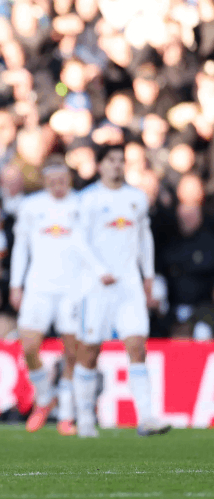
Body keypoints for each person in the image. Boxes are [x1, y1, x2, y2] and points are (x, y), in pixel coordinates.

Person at [73, 144, 171, 438]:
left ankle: (146, 417)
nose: (117, 166)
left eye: (120, 161)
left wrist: (149, 275)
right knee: (90, 351)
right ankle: (85, 418)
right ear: (100, 165)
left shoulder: (136, 198)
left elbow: (145, 238)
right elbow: (78, 240)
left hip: (129, 285)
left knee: (137, 346)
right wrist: (100, 270)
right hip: (96, 287)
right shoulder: (88, 199)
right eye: (111, 160)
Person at [9, 158, 100, 436]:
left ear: (69, 180)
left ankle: (67, 414)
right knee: (28, 345)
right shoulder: (31, 206)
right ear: (45, 181)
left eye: (63, 180)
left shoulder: (82, 205)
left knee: (71, 351)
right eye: (53, 181)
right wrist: (16, 284)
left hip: (73, 288)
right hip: (39, 286)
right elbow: (21, 247)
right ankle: (45, 397)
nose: (58, 186)